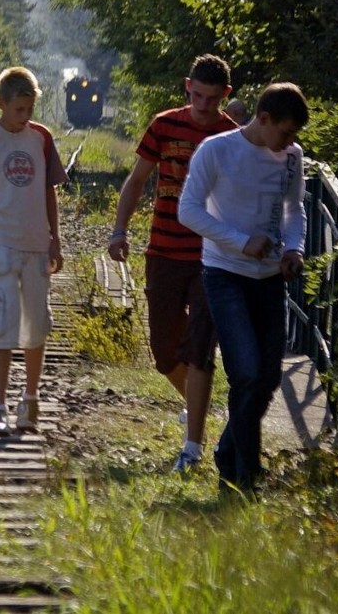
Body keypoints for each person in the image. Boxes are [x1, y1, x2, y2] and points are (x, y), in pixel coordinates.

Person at [178, 82, 309, 496]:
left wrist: (293, 248)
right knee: (246, 372)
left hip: (270, 278)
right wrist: (239, 241)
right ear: (263, 119)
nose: (290, 143)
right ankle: (243, 477)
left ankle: (227, 452)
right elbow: (189, 210)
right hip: (224, 274)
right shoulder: (216, 150)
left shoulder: (292, 157)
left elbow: (294, 209)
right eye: (285, 133)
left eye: (294, 137)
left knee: (268, 376)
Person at [108, 54, 237, 473]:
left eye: (211, 99)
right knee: (165, 353)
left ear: (225, 96)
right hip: (163, 251)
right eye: (196, 95)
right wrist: (119, 231)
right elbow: (138, 180)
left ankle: (193, 444)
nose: (202, 105)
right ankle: (193, 402)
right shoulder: (164, 124)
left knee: (199, 348)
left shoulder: (231, 136)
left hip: (210, 258)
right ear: (187, 87)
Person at [0, 66, 67, 436]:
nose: (26, 117)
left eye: (30, 109)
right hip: (1, 245)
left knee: (35, 325)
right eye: (19, 110)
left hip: (37, 245)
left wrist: (56, 238)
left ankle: (31, 398)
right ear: (1, 104)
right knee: (2, 327)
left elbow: (50, 190)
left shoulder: (41, 138)